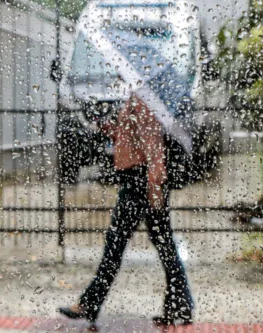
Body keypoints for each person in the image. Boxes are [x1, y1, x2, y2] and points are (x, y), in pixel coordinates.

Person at [57, 91, 194, 326]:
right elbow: (131, 139)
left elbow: (154, 148)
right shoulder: (135, 100)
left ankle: (90, 304)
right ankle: (180, 305)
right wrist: (107, 128)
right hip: (140, 181)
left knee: (116, 244)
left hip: (140, 183)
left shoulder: (143, 101)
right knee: (164, 245)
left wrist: (156, 188)